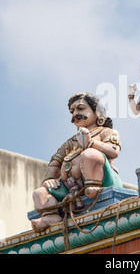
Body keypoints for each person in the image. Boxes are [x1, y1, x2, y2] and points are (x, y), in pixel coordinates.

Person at [31, 92, 122, 233]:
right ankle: (51, 215)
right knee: (39, 193)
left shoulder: (106, 132)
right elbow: (55, 162)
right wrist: (49, 179)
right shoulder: (69, 143)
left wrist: (91, 143)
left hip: (102, 180)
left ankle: (93, 187)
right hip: (71, 187)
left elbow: (113, 151)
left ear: (97, 112)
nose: (75, 114)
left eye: (80, 109)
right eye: (72, 111)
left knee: (90, 154)